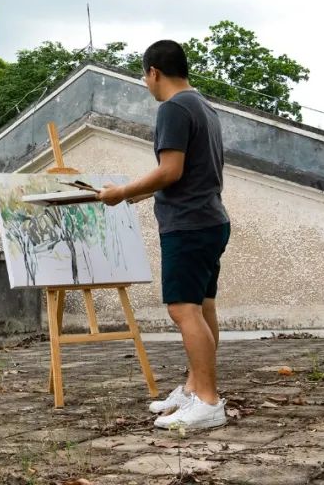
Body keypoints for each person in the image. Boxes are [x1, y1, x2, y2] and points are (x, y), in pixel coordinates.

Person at [98, 39, 230, 430]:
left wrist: (122, 191)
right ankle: (194, 389)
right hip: (210, 218)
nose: (146, 83)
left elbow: (171, 170)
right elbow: (190, 173)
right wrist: (136, 195)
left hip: (187, 224)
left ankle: (207, 401)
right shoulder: (203, 105)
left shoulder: (172, 108)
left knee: (182, 309)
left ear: (154, 72)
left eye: (145, 75)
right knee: (202, 307)